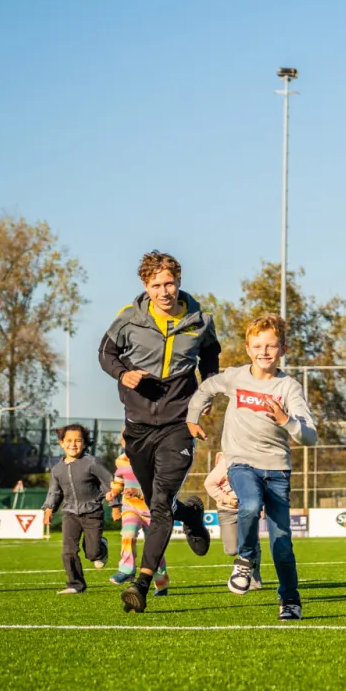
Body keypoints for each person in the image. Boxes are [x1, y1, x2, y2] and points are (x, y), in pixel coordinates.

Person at [97, 250, 220, 614]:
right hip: (137, 426)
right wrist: (123, 373)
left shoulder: (200, 320)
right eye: (156, 285)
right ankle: (193, 515)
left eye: (169, 283)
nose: (164, 291)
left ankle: (142, 583)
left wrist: (208, 390)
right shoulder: (127, 319)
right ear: (145, 286)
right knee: (158, 503)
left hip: (179, 423)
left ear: (179, 282)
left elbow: (210, 359)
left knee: (161, 504)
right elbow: (105, 354)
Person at [187, 314, 319, 621]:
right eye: (258, 345)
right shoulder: (235, 377)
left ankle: (289, 600)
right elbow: (207, 387)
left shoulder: (288, 387)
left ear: (283, 349)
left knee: (282, 544)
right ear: (248, 348)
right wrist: (193, 416)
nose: (264, 351)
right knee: (248, 503)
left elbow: (310, 435)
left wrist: (286, 420)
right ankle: (245, 559)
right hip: (241, 462)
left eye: (271, 345)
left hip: (277, 471)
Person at [40, 423, 111, 596]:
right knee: (68, 550)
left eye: (78, 440)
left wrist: (114, 502)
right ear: (61, 443)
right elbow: (54, 492)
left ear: (85, 443)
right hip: (70, 513)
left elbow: (109, 482)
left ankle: (101, 547)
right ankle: (75, 584)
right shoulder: (57, 470)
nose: (73, 444)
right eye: (69, 441)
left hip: (93, 512)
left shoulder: (91, 463)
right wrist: (49, 509)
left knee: (93, 553)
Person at [106, 452, 168, 594]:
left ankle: (161, 582)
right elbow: (119, 480)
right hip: (130, 508)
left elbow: (161, 485)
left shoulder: (156, 458)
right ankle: (126, 570)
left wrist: (138, 492)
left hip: (154, 511)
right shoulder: (121, 460)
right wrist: (114, 492)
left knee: (154, 548)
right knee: (128, 532)